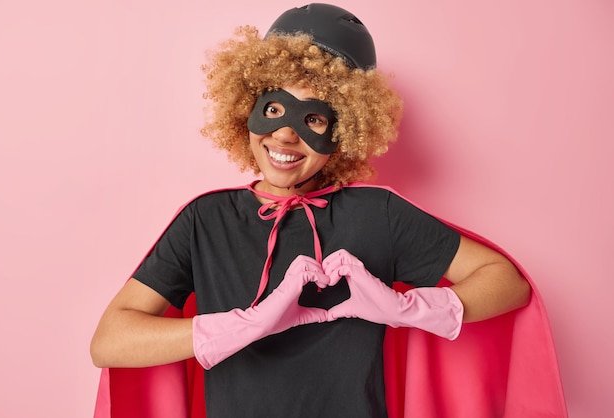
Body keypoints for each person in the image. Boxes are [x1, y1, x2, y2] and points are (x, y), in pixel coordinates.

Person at [91, 4, 567, 418]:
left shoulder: (376, 213)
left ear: (344, 131)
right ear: (246, 107)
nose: (284, 136)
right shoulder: (205, 220)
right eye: (273, 110)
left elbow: (507, 283)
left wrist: (408, 309)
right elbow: (109, 340)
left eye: (313, 118)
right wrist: (240, 326)